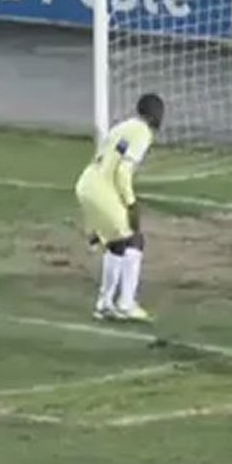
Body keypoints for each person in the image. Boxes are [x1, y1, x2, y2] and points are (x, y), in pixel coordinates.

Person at [74, 93, 164, 322]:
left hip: (87, 185)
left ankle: (108, 304)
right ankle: (122, 304)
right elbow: (122, 172)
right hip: (102, 191)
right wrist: (131, 204)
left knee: (120, 243)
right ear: (156, 115)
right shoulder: (143, 133)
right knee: (130, 240)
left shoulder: (122, 127)